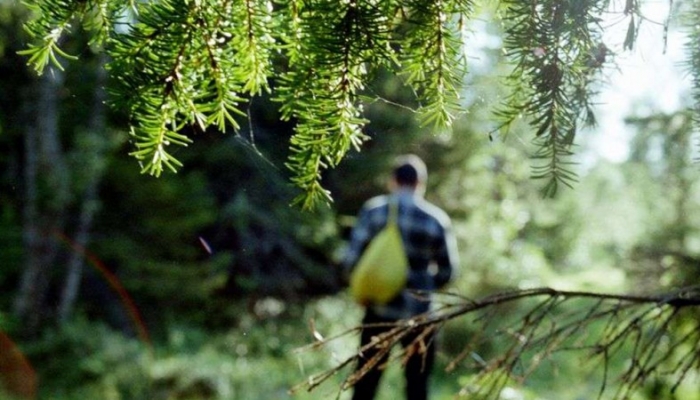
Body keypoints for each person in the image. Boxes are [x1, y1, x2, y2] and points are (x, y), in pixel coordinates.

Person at [343, 154, 459, 400]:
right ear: (421, 183)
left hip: (378, 310)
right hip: (420, 315)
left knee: (365, 384)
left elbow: (351, 260)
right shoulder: (436, 220)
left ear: (393, 181)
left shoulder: (374, 211)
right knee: (417, 387)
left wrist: (365, 289)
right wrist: (423, 286)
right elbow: (448, 271)